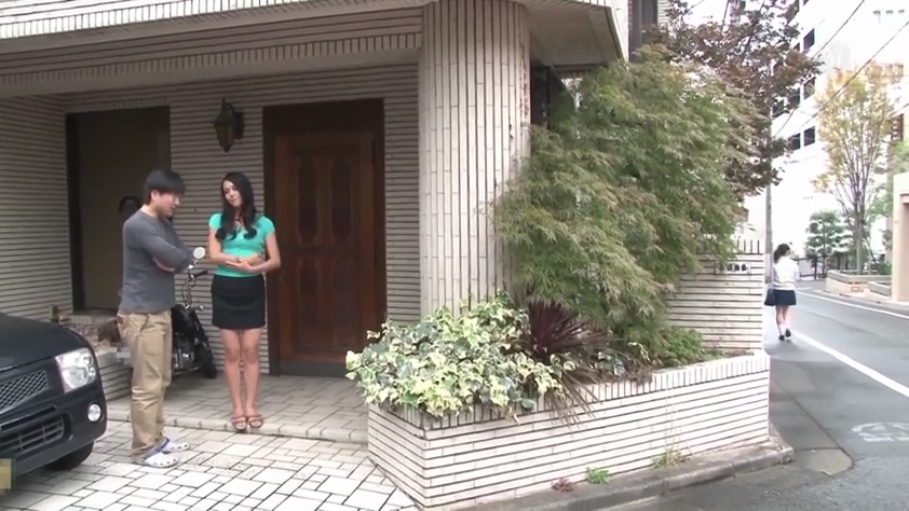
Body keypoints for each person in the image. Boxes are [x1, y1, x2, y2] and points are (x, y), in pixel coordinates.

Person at [118, 169, 193, 468]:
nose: (178, 202)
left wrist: (172, 260)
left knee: (161, 380)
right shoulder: (136, 225)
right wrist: (171, 259)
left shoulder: (164, 224)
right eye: (173, 196)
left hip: (160, 311)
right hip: (141, 315)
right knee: (146, 385)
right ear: (155, 194)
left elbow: (183, 256)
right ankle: (143, 449)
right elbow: (174, 257)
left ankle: (157, 438)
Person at [207, 172, 281, 432]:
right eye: (226, 191)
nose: (230, 194)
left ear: (244, 190)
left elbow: (275, 260)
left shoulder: (264, 223)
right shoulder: (217, 220)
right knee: (231, 352)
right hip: (224, 288)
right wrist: (243, 260)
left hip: (252, 288)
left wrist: (253, 268)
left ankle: (250, 406)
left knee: (250, 350)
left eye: (234, 189)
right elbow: (213, 255)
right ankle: (237, 408)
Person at [771, 243, 800, 342]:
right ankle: (787, 327)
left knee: (779, 312)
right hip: (789, 289)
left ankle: (782, 332)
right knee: (787, 311)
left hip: (778, 289)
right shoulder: (793, 264)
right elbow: (797, 277)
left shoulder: (776, 264)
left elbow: (772, 278)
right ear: (787, 252)